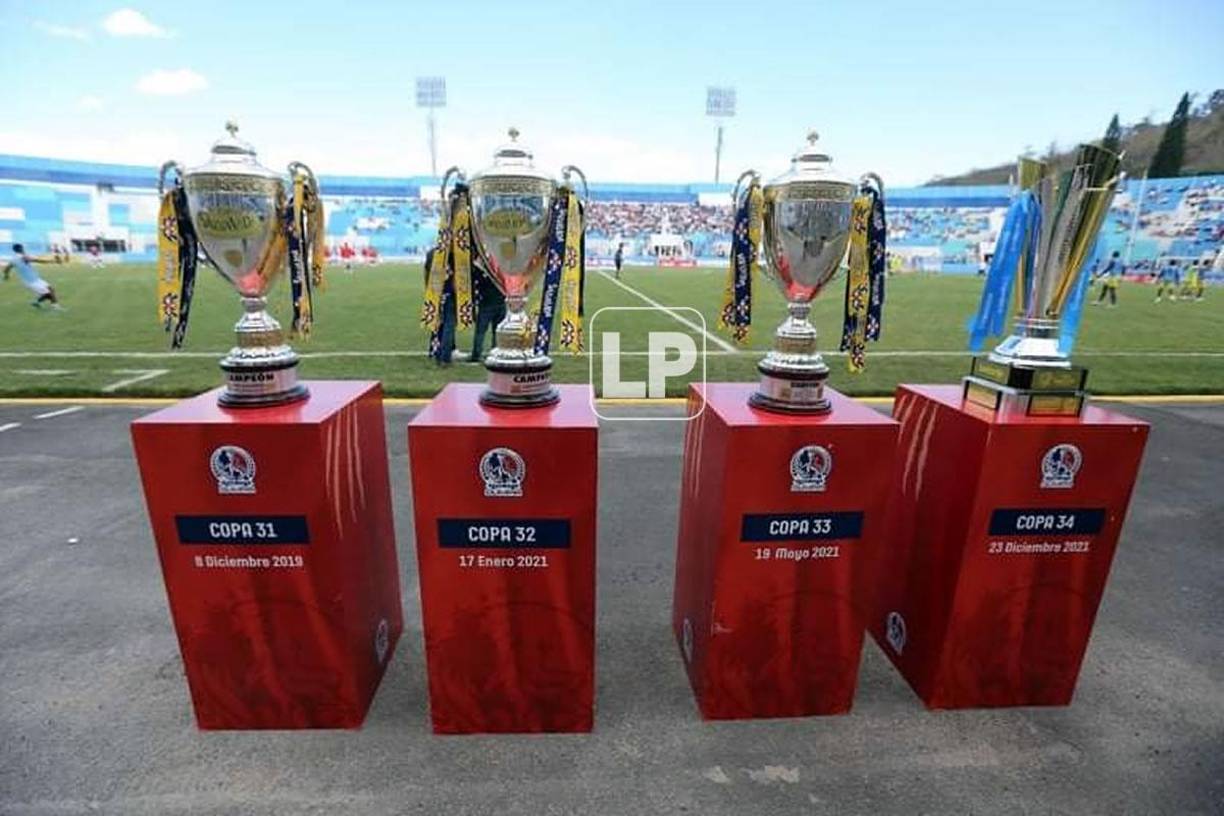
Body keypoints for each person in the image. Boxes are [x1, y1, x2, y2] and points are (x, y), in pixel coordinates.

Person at [3, 244, 64, 310]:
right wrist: (53, 261)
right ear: (20, 249)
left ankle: (36, 302)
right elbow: (38, 261)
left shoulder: (13, 259)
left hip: (35, 279)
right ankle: (56, 307)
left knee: (51, 289)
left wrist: (6, 275)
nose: (24, 249)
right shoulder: (23, 257)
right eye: (22, 248)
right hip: (32, 282)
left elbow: (7, 269)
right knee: (49, 293)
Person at [469, 257, 506, 364]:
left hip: (486, 302)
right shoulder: (502, 268)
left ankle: (476, 354)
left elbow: (475, 282)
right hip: (499, 301)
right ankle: (495, 353)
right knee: (496, 331)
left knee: (481, 331)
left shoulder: (481, 268)